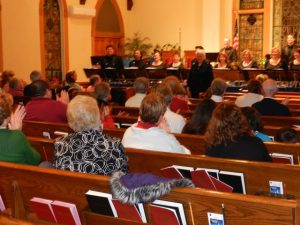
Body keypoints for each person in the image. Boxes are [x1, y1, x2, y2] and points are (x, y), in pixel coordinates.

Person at [53, 95, 128, 175]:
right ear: (96, 115)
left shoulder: (59, 144)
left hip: (70, 187)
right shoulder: (114, 145)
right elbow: (122, 177)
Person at [122, 93, 190, 154]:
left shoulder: (128, 132)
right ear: (161, 117)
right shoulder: (166, 138)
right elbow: (186, 155)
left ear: (141, 111)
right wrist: (168, 133)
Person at [205, 102, 272, 162]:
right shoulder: (256, 143)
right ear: (241, 120)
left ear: (214, 122)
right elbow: (269, 166)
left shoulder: (212, 145)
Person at [0, 95, 41, 165]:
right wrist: (17, 133)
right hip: (17, 175)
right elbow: (35, 160)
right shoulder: (17, 137)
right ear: (8, 117)